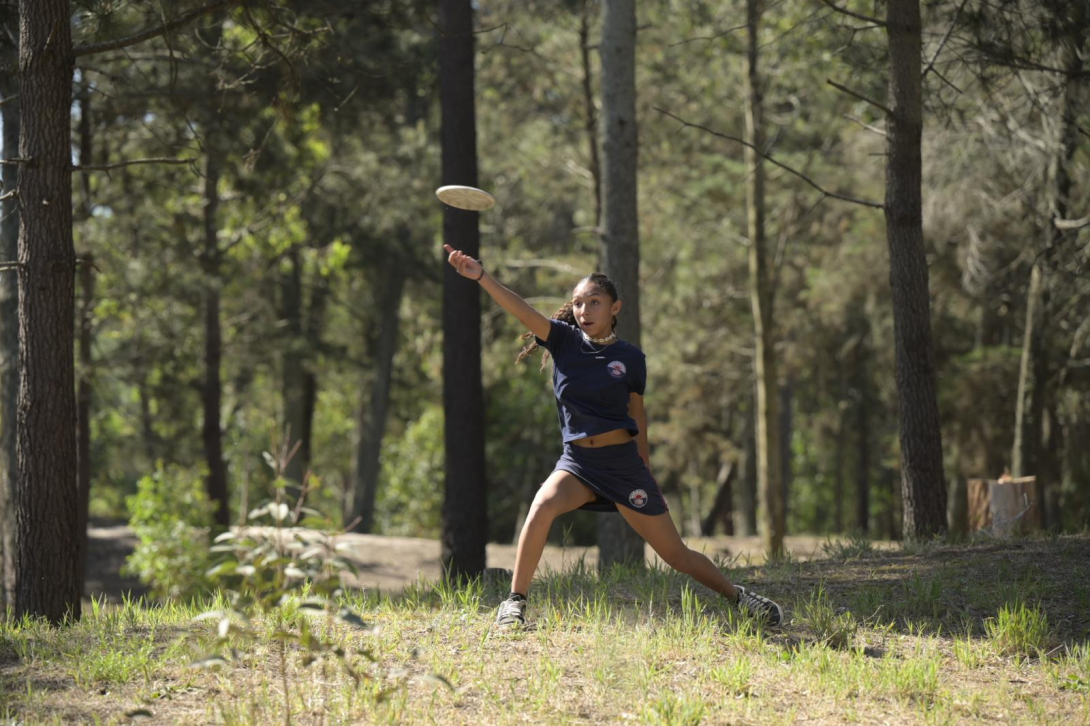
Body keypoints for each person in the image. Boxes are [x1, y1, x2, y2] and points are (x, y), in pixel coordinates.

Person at [443, 244, 783, 628]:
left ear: (615, 308)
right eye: (577, 303)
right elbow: (521, 309)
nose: (583, 311)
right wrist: (482, 277)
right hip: (578, 463)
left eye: (594, 302)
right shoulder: (562, 341)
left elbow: (637, 413)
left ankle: (740, 598)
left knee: (677, 556)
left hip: (623, 466)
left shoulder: (632, 359)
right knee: (542, 505)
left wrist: (645, 469)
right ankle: (515, 602)